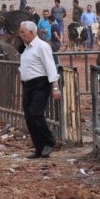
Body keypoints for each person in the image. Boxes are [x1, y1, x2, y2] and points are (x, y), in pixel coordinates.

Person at [18, 21, 60, 159]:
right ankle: (39, 148)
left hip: (40, 84)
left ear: (31, 32)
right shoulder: (26, 48)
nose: (21, 35)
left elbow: (50, 66)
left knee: (36, 113)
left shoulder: (42, 46)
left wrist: (55, 87)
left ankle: (49, 141)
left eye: (23, 32)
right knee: (29, 117)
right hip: (28, 85)